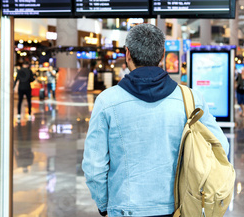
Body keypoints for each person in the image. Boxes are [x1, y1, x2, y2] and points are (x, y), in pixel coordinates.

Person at [82, 23, 228, 217]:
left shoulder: (107, 102)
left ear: (127, 54)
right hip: (178, 207)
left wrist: (104, 205)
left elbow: (94, 167)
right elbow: (221, 148)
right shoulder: (191, 99)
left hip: (125, 209)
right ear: (163, 55)